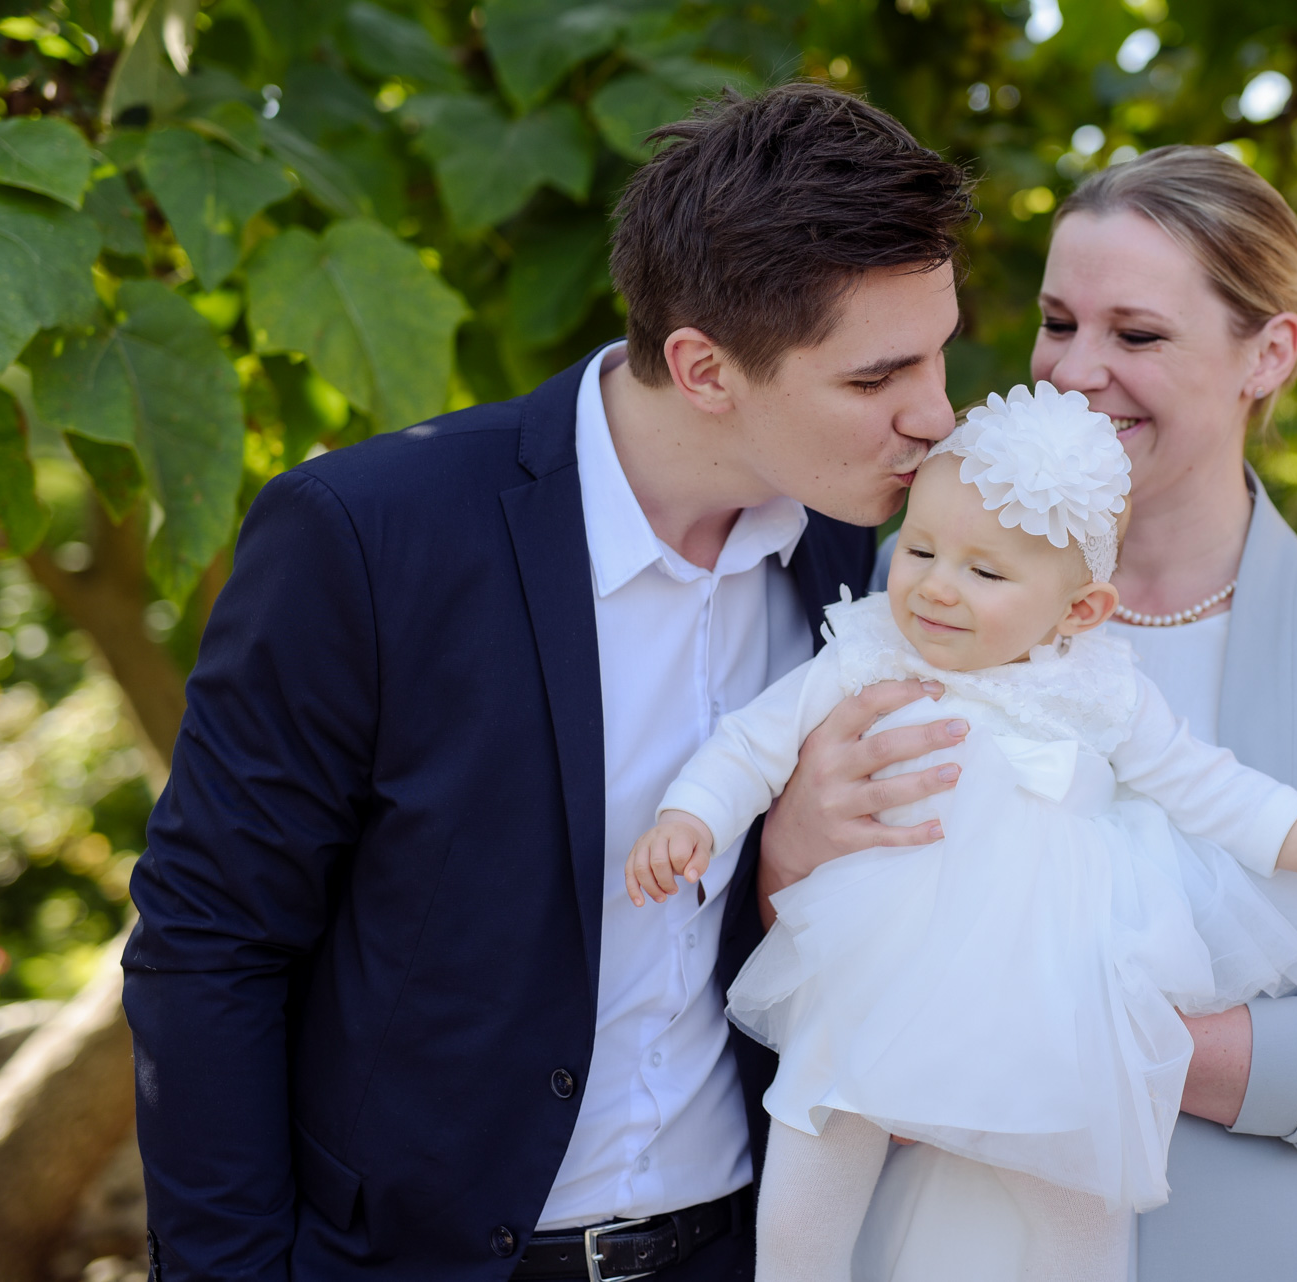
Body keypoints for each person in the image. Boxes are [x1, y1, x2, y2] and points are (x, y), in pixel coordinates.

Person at [120, 83, 975, 1280]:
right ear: (704, 368)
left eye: (939, 352)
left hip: (740, 1247)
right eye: (877, 378)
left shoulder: (853, 546)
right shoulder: (365, 537)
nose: (937, 416)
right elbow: (209, 944)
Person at [753, 146, 1297, 1280]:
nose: (1076, 370)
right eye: (1058, 323)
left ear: (1272, 352)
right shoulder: (905, 595)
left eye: (1138, 335)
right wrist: (786, 854)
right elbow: (800, 944)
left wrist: (1066, 1048)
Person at [625, 382, 1297, 1282]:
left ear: (1080, 610)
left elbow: (1217, 792)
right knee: (809, 1175)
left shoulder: (1100, 688)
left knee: (1075, 1203)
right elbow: (754, 741)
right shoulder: (869, 650)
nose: (937, 585)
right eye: (921, 549)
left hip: (1048, 980)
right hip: (876, 959)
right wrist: (691, 815)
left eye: (985, 572)